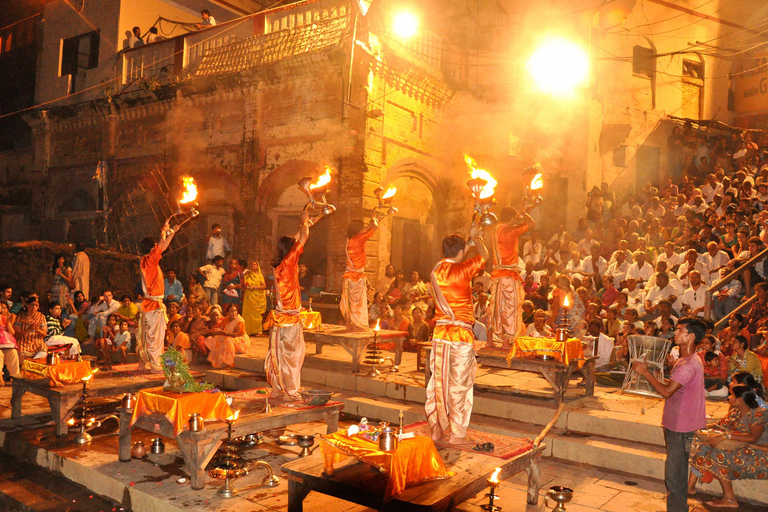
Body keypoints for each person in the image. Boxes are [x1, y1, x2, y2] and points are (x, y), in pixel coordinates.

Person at [632, 317, 706, 512]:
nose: (675, 332)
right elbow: (673, 386)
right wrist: (652, 372)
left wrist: (646, 374)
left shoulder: (689, 364)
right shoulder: (686, 359)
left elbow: (666, 392)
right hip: (678, 420)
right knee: (676, 469)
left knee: (675, 473)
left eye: (680, 330)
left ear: (690, 336)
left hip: (682, 424)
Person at [425, 227, 488, 446]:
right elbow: (485, 256)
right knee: (459, 385)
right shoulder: (463, 270)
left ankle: (436, 429)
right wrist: (477, 236)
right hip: (460, 336)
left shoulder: (435, 270)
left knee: (439, 383)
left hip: (440, 335)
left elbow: (454, 260)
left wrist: (466, 244)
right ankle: (456, 434)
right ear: (461, 254)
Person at [688, 385, 766, 509]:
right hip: (737, 449)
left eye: (732, 396)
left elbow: (753, 438)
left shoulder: (755, 415)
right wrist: (699, 426)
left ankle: (730, 499)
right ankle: (689, 488)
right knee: (705, 445)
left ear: (740, 400)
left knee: (718, 454)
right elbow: (720, 426)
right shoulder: (735, 412)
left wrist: (727, 437)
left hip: (756, 453)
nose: (729, 398)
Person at [265, 213, 316, 400]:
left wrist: (308, 222)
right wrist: (304, 220)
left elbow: (297, 239)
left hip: (280, 317)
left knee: (277, 355)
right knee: (292, 356)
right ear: (290, 250)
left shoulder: (278, 265)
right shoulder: (289, 263)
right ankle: (290, 391)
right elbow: (303, 238)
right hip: (290, 318)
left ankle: (278, 389)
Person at [487, 207, 535, 349]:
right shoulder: (511, 230)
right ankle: (506, 341)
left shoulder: (495, 229)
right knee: (509, 308)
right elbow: (531, 223)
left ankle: (490, 339)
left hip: (496, 276)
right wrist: (524, 213)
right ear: (512, 217)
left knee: (495, 307)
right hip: (508, 275)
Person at [137, 222, 178, 372]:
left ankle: (145, 362)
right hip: (153, 304)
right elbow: (162, 244)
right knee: (155, 337)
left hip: (152, 303)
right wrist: (166, 231)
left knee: (151, 336)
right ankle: (155, 364)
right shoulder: (150, 260)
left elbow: (163, 245)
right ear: (151, 248)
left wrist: (170, 231)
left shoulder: (147, 260)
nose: (156, 248)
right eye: (154, 246)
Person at [340, 217, 379, 331]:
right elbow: (374, 227)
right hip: (356, 276)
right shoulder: (360, 238)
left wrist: (370, 224)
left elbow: (364, 230)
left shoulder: (349, 238)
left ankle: (350, 326)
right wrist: (374, 222)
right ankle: (357, 327)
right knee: (358, 304)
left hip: (348, 275)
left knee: (349, 303)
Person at [242, 260, 267, 335]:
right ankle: (248, 331)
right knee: (248, 313)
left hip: (256, 297)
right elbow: (245, 283)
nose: (253, 266)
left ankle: (257, 331)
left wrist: (254, 287)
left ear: (257, 266)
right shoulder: (248, 274)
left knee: (256, 315)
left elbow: (264, 286)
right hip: (249, 296)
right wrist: (248, 286)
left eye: (254, 264)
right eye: (252, 264)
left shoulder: (259, 275)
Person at [0, 302, 19, 386]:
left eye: (3, 308)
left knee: (13, 353)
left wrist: (8, 322)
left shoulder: (4, 318)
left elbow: (12, 333)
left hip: (5, 344)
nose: (2, 309)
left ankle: (16, 378)